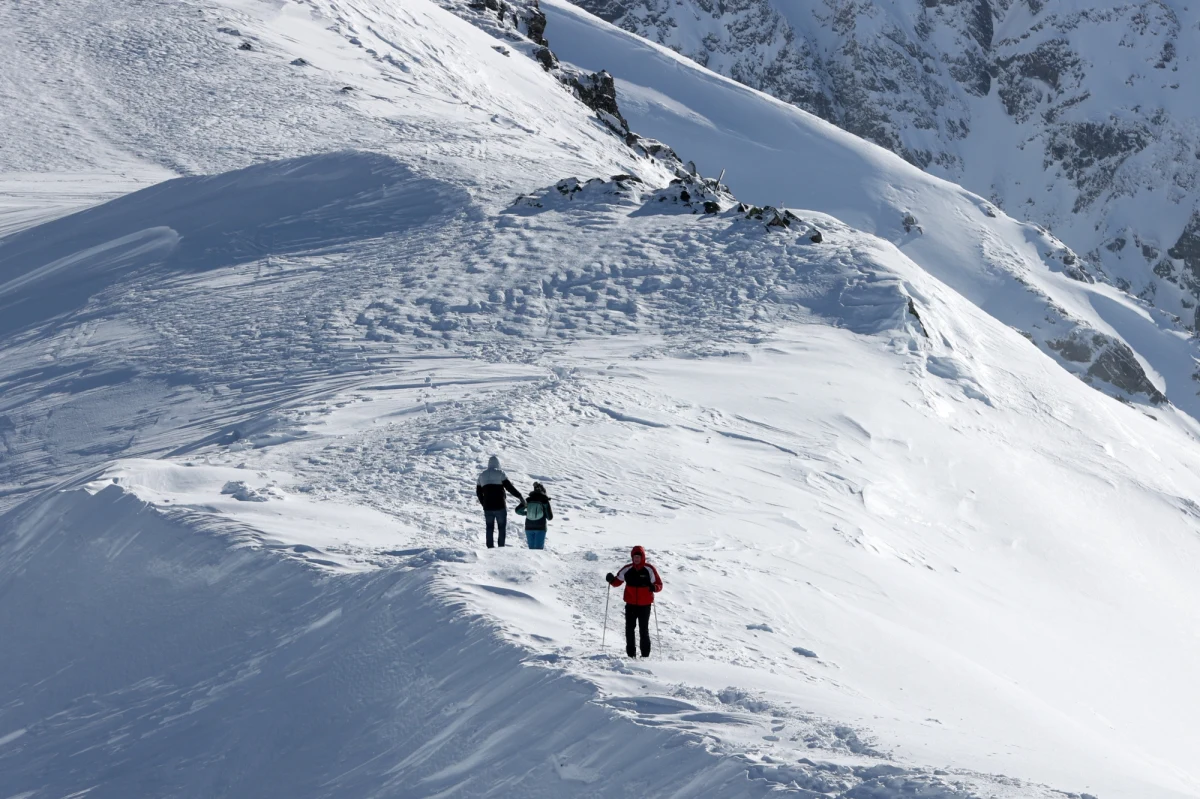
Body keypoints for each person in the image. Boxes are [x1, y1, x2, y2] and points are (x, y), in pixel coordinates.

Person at [605, 545, 663, 658]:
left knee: (643, 630)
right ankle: (631, 655)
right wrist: (611, 580)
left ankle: (645, 655)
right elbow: (617, 581)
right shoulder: (627, 569)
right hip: (630, 604)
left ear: (642, 557)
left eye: (638, 557)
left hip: (645, 605)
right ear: (632, 557)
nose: (636, 559)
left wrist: (654, 587)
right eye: (635, 557)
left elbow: (659, 584)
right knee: (629, 629)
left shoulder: (649, 569)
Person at [475, 455, 523, 548]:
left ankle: (490, 547)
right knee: (501, 528)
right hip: (500, 506)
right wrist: (519, 496)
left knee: (489, 527)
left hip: (488, 507)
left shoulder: (481, 475)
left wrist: (483, 504)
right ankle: (501, 547)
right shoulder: (500, 473)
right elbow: (510, 488)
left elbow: (478, 492)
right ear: (498, 464)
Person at [515, 482, 553, 549]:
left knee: (531, 551)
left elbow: (517, 510)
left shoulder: (528, 500)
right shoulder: (544, 501)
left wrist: (527, 513)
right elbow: (549, 517)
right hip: (540, 528)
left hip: (529, 527)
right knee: (538, 551)